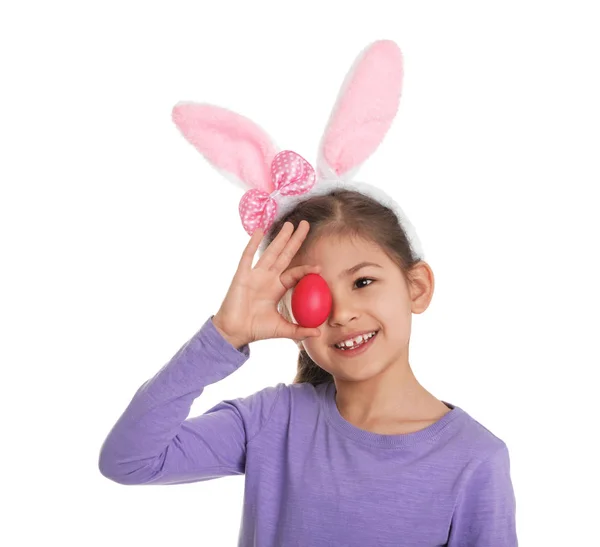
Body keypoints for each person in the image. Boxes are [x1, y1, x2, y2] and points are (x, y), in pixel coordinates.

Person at [99, 40, 518, 546]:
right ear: (290, 317)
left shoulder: (474, 459)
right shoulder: (273, 420)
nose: (342, 313)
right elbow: (129, 460)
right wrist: (223, 335)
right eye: (314, 294)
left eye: (364, 281)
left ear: (417, 286)